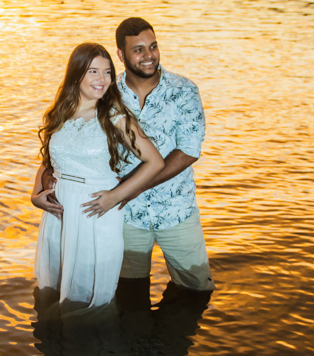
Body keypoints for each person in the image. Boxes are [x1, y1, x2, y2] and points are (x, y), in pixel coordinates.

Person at [32, 43, 164, 309]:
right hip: (58, 215)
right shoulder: (60, 113)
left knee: (89, 294)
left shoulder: (114, 117)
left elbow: (155, 162)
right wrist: (35, 197)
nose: (101, 80)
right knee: (53, 289)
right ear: (77, 74)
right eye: (93, 71)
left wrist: (115, 196)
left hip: (94, 211)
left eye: (106, 72)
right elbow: (48, 162)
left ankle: (92, 345)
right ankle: (56, 344)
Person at [112, 17, 215, 293]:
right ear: (121, 55)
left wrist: (134, 187)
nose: (149, 56)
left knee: (197, 291)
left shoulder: (184, 91)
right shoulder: (108, 95)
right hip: (126, 216)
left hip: (177, 212)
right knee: (128, 296)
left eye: (153, 46)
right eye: (139, 50)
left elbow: (189, 151)